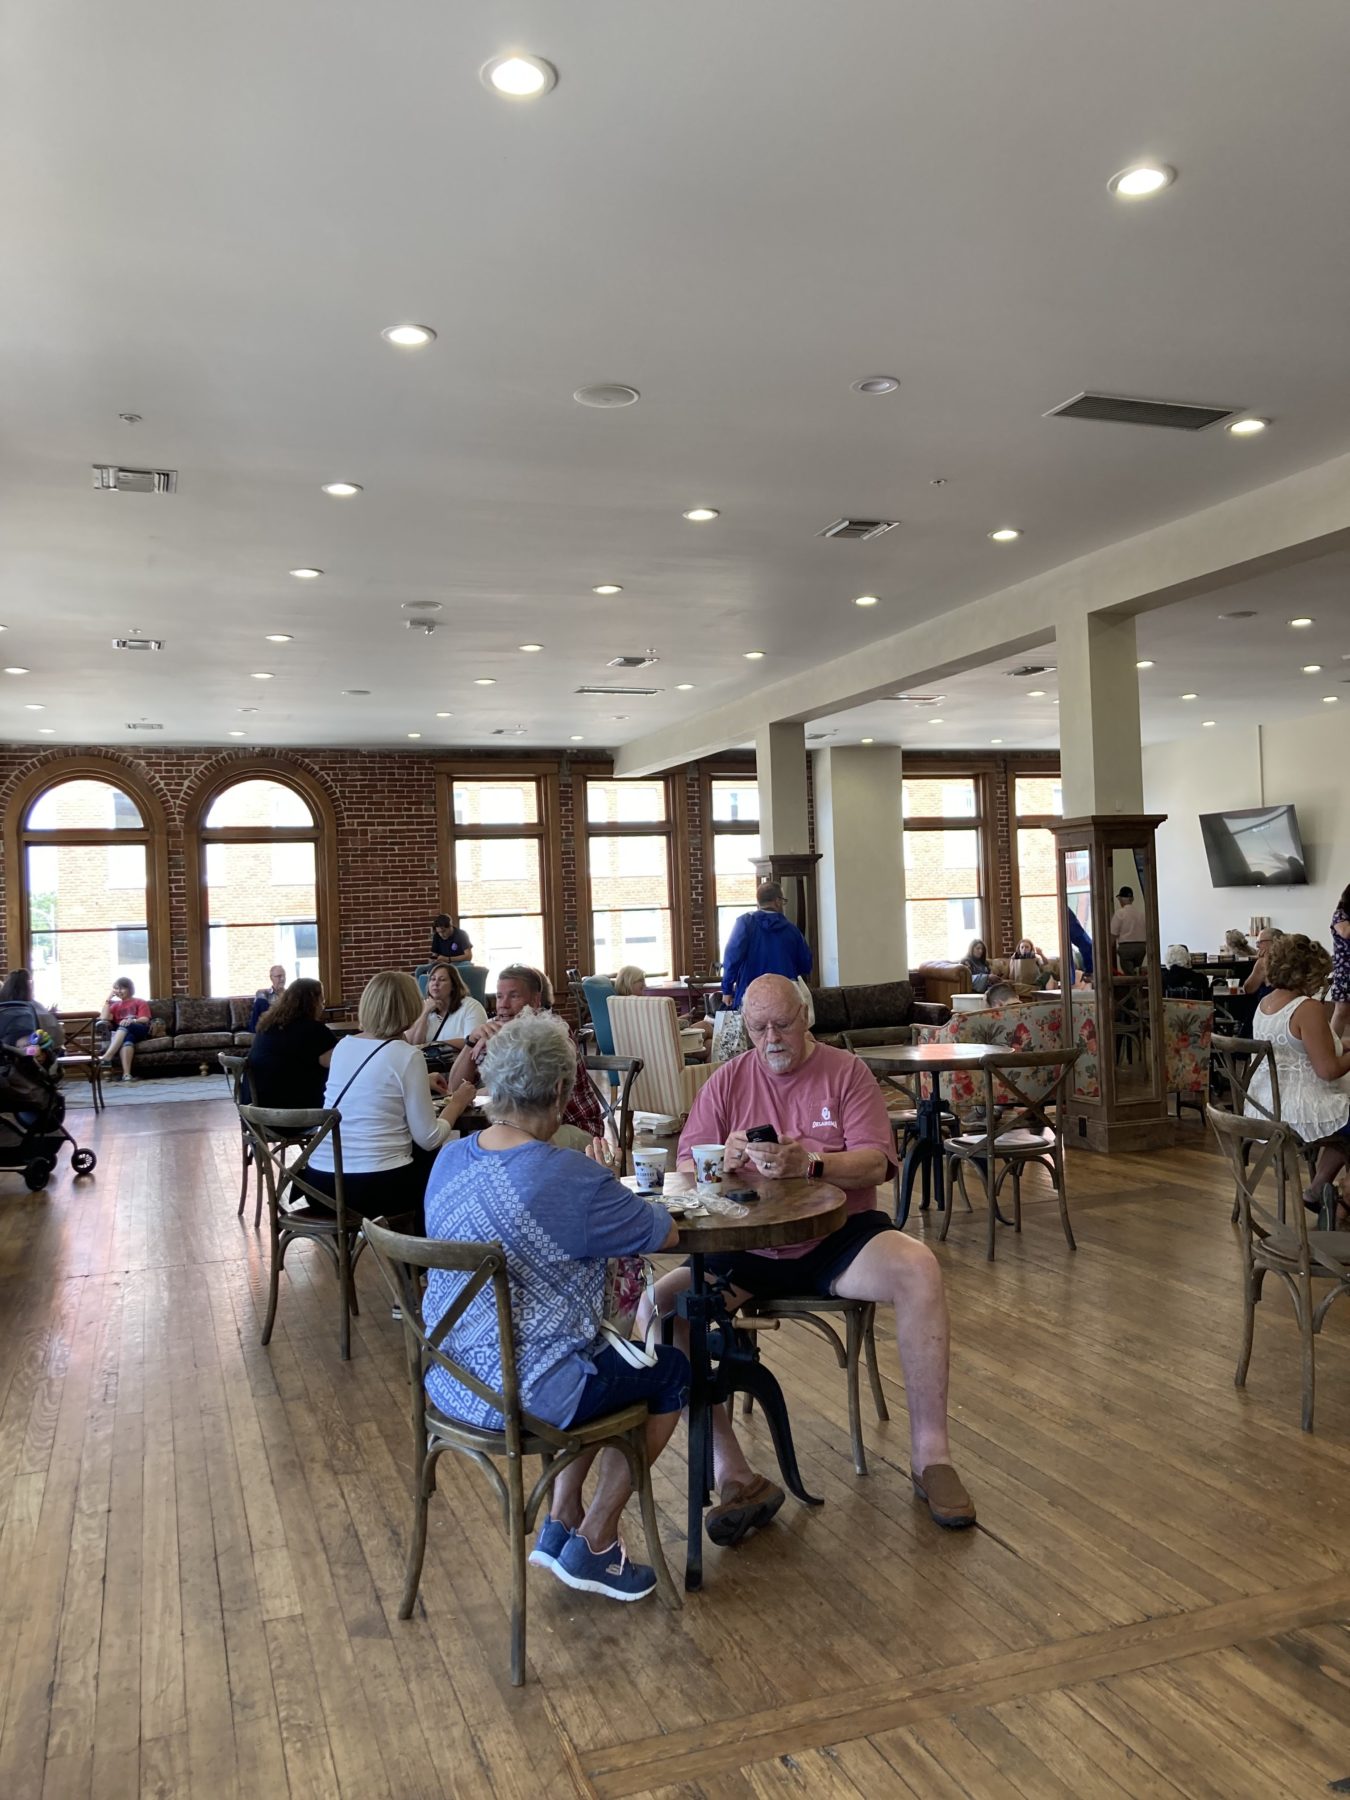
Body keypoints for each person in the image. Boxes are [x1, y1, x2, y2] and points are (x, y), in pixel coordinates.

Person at [648, 973, 974, 1541]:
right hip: (746, 1247)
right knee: (661, 1310)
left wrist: (813, 1163)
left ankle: (932, 1457)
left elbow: (876, 1162)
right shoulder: (726, 1082)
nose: (771, 1037)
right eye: (758, 1027)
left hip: (837, 1237)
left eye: (782, 1023)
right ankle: (734, 1473)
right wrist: (716, 1162)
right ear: (744, 1029)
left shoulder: (845, 1073)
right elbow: (682, 1172)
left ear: (806, 1019)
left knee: (920, 1267)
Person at [423, 1010, 688, 1601]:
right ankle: (595, 1540)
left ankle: (560, 1521)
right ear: (565, 1090)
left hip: (453, 1378)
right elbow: (661, 1232)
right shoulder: (567, 1175)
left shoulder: (452, 1158)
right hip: (525, 1391)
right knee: (667, 1371)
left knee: (598, 1359)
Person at [306, 971, 475, 1227]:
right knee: (437, 1159)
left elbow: (371, 1085)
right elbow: (428, 1138)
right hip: (372, 1187)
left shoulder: (343, 1046)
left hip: (320, 1184)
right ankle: (419, 1258)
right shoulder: (406, 1055)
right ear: (410, 1007)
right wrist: (457, 1102)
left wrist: (420, 1080)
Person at [1247, 935, 1350, 1226]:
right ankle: (1340, 1202)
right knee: (1345, 1114)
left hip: (1267, 1105)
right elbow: (1328, 1070)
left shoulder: (1265, 1004)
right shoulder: (1307, 1007)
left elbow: (1301, 1047)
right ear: (1308, 972)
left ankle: (1319, 1188)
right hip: (1300, 1111)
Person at [446, 964, 607, 1145]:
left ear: (536, 1000)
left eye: (514, 996)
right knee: (484, 1146)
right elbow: (454, 1089)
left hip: (572, 1127)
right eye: (499, 996)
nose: (504, 1005)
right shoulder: (494, 1028)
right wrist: (470, 1042)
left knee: (507, 1146)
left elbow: (525, 1089)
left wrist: (476, 1091)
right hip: (519, 1126)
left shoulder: (551, 1031)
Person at [246, 978, 337, 1109]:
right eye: (321, 1001)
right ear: (312, 1003)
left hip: (255, 1110)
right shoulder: (315, 1031)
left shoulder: (267, 1026)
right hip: (294, 1113)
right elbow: (337, 1064)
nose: (323, 1006)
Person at [720, 883, 812, 1009]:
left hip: (751, 994)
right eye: (783, 901)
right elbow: (805, 965)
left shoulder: (745, 923)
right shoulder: (792, 931)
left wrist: (727, 989)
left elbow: (732, 957)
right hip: (784, 996)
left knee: (752, 1027)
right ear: (777, 901)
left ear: (759, 902)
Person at [405, 962, 487, 1051]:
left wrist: (434, 1045)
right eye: (432, 979)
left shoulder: (471, 1007)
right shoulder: (422, 1007)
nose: (435, 983)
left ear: (453, 985)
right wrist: (425, 1013)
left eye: (442, 980)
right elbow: (411, 1043)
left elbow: (472, 1042)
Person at [99, 977, 152, 1082]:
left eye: (122, 988)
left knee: (125, 1025)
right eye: (117, 989)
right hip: (124, 1034)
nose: (119, 991)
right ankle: (126, 1074)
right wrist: (108, 999)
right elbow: (103, 1018)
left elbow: (145, 1019)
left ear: (129, 989)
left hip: (140, 1029)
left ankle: (108, 1056)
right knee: (128, 1039)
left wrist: (132, 1020)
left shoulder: (139, 1002)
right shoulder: (114, 1006)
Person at [0, 968, 63, 1054]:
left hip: (6, 1053)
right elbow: (56, 1036)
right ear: (28, 987)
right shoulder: (33, 1007)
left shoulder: (3, 1007)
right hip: (33, 1053)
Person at [1110, 887, 1147, 973]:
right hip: (1141, 947)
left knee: (1129, 974)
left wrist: (1109, 949)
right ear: (1132, 899)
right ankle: (1137, 984)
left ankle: (1132, 985)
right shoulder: (1141, 914)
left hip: (1126, 948)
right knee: (1137, 971)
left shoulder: (1120, 913)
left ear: (1120, 899)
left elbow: (1113, 934)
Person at [1331, 885, 1350, 1038]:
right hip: (1345, 971)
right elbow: (1346, 932)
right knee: (1342, 1011)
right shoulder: (1340, 915)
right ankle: (1332, 1045)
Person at [1243, 926, 1283, 999]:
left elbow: (1249, 989)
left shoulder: (1263, 963)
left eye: (1260, 942)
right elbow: (1248, 989)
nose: (1257, 946)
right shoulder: (1261, 962)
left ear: (1275, 942)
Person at [249, 964, 288, 1033]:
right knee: (260, 1001)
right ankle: (256, 1031)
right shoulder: (263, 993)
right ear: (271, 978)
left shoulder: (289, 995)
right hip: (269, 1023)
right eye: (279, 976)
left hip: (284, 1023)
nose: (282, 979)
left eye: (284, 976)